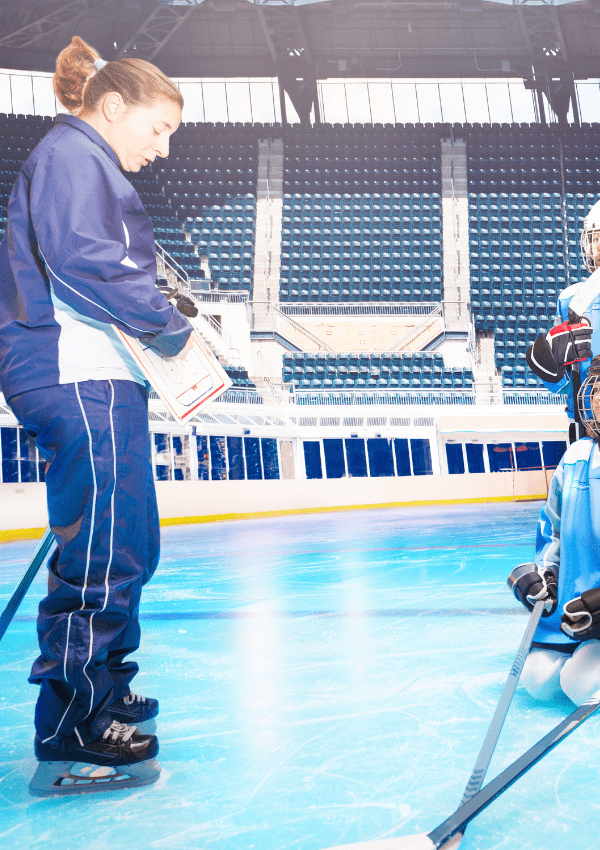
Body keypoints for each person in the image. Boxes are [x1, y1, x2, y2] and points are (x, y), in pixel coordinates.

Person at [0, 36, 194, 795]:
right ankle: (74, 717)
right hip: (70, 369)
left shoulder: (88, 159)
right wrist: (171, 322)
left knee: (130, 537)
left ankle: (105, 685)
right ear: (113, 107)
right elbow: (85, 259)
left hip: (101, 372)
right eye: (159, 128)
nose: (164, 148)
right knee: (104, 546)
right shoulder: (74, 153)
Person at [508, 355, 600, 706]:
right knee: (538, 680)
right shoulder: (577, 458)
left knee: (582, 684)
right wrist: (543, 575)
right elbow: (554, 532)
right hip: (572, 616)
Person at [526, 201, 600, 444]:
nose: (598, 246)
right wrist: (549, 365)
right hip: (586, 430)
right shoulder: (573, 300)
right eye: (595, 238)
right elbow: (564, 386)